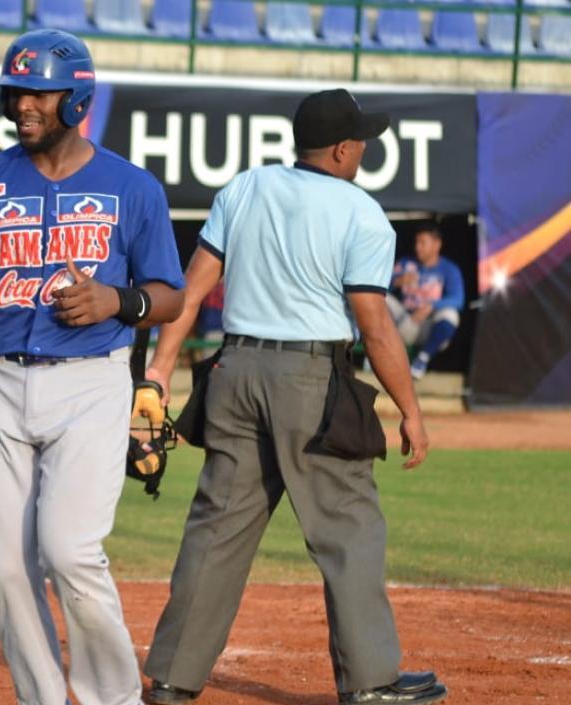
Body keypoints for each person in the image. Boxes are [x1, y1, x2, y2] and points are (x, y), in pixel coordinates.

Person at [0, 29, 185, 705]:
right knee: (5, 567)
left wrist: (120, 299)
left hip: (91, 380)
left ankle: (114, 697)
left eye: (39, 92)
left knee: (68, 550)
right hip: (1, 382)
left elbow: (170, 294)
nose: (23, 105)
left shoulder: (130, 187)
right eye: (16, 93)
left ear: (77, 97)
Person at [138, 89, 446, 705]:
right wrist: (410, 409)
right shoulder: (361, 213)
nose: (363, 148)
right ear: (341, 149)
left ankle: (172, 678)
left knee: (216, 529)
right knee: (349, 528)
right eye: (359, 140)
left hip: (232, 371)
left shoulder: (244, 188)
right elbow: (375, 325)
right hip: (309, 378)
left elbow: (188, 292)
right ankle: (371, 681)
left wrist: (157, 374)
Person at [386, 224, 464, 379]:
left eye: (423, 243)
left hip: (430, 328)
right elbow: (374, 291)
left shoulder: (449, 268)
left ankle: (422, 358)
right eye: (416, 242)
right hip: (404, 323)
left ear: (437, 244)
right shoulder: (406, 263)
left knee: (451, 313)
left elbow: (458, 299)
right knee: (382, 299)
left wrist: (431, 306)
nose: (417, 247)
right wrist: (396, 282)